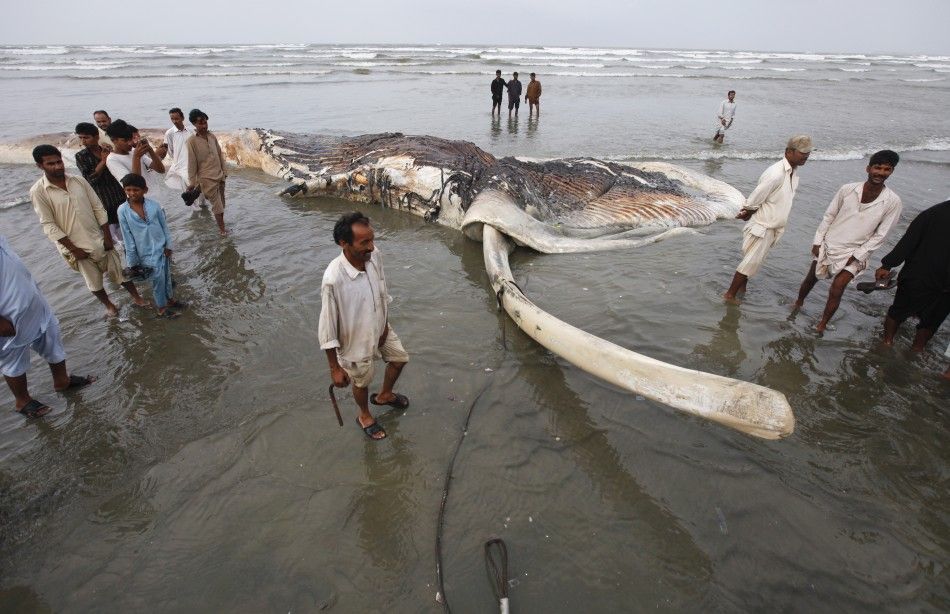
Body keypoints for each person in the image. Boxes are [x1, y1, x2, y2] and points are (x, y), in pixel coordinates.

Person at [319, 212, 410, 441]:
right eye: (364, 242)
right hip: (355, 343)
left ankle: (385, 395)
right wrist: (335, 369)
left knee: (399, 359)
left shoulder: (374, 256)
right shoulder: (333, 279)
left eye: (372, 239)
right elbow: (327, 327)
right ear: (344, 243)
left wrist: (385, 326)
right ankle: (365, 415)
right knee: (362, 382)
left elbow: (382, 291)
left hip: (381, 330)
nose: (371, 247)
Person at [29, 145, 147, 317]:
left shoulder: (78, 181)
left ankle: (137, 298)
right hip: (75, 246)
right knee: (94, 282)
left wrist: (107, 237)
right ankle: (110, 306)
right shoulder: (38, 191)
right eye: (51, 164)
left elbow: (98, 208)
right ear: (40, 166)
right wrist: (74, 249)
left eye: (58, 161)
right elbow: (49, 225)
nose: (57, 166)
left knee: (120, 272)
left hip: (98, 238)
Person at [794, 150, 902, 332]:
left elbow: (881, 235)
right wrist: (817, 241)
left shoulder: (892, 202)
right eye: (877, 168)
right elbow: (829, 216)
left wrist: (858, 255)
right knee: (811, 278)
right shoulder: (847, 189)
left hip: (856, 251)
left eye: (887, 169)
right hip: (830, 243)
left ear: (891, 172)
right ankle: (798, 303)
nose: (881, 173)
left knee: (837, 288)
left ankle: (821, 325)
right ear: (868, 168)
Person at [1, 234, 95, 418]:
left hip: (32, 303)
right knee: (13, 358)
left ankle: (62, 381)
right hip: (8, 317)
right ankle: (23, 401)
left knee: (51, 336)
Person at [724, 135, 813, 301]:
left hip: (771, 226)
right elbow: (757, 195)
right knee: (750, 263)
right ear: (789, 152)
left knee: (752, 262)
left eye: (808, 153)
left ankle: (741, 290)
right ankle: (729, 295)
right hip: (762, 227)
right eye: (802, 153)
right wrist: (748, 212)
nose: (806, 156)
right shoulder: (776, 173)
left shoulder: (792, 171)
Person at [873, 200, 950, 352]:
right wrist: (887, 264)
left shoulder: (932, 212)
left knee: (931, 322)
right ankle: (886, 343)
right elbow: (909, 241)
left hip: (946, 288)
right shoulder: (933, 213)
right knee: (898, 312)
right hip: (919, 275)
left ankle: (917, 350)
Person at [117, 174, 185, 319]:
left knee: (166, 276)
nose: (132, 193)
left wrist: (169, 246)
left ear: (145, 190)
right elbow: (127, 237)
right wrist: (132, 263)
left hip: (162, 249)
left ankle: (170, 300)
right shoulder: (122, 210)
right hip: (145, 253)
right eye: (128, 190)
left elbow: (164, 227)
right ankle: (161, 307)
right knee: (158, 281)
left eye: (136, 190)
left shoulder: (154, 206)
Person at [74, 122, 126, 246]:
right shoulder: (81, 156)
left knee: (130, 231)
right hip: (104, 202)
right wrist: (103, 161)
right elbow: (90, 179)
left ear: (96, 137)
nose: (83, 141)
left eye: (86, 137)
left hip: (121, 196)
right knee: (116, 240)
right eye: (80, 137)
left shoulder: (107, 149)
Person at [185, 108, 229, 236]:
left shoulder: (212, 136)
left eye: (205, 122)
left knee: (222, 204)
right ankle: (222, 231)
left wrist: (224, 171)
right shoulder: (191, 141)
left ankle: (222, 226)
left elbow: (219, 154)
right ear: (194, 124)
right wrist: (192, 182)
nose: (203, 125)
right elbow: (192, 163)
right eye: (200, 123)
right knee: (217, 206)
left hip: (220, 176)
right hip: (206, 179)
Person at [155, 107, 204, 205]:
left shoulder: (191, 131)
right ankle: (195, 211)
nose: (174, 121)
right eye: (172, 119)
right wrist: (177, 160)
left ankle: (203, 210)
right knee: (189, 191)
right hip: (180, 166)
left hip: (194, 165)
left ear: (182, 118)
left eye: (176, 118)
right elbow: (170, 151)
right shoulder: (169, 133)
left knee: (200, 191)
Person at [105, 120, 165, 194]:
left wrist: (150, 150)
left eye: (130, 139)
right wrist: (136, 157)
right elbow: (133, 184)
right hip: (140, 201)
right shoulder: (112, 160)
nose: (130, 143)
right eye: (125, 140)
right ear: (113, 140)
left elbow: (161, 170)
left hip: (156, 196)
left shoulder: (134, 151)